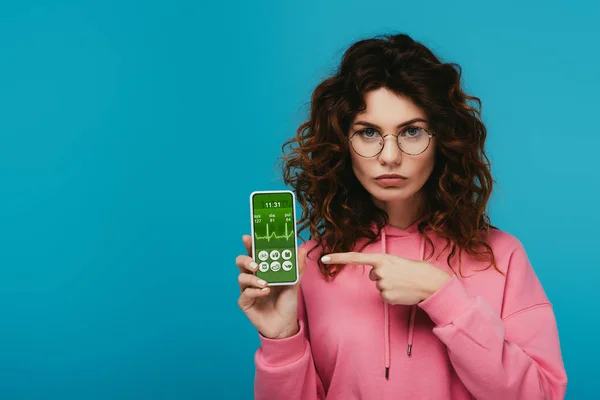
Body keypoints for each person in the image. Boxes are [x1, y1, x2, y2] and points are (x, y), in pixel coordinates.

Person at [235, 33, 568, 399]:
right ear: (343, 143)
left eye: (412, 131)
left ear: (442, 139)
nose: (389, 156)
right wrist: (281, 340)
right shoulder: (309, 266)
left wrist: (444, 297)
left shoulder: (503, 257)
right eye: (368, 132)